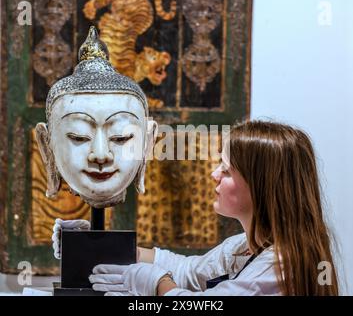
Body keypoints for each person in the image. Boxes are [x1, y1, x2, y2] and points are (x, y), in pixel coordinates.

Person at [52, 120, 339, 296]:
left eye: (226, 170)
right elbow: (190, 270)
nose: (214, 174)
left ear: (261, 186)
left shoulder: (281, 264)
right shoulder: (243, 246)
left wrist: (158, 284)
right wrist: (99, 244)